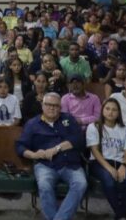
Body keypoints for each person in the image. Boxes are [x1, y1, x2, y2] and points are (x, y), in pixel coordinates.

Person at [16, 92, 86, 220]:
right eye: (48, 104)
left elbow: (80, 140)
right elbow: (20, 146)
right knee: (44, 185)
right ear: (42, 105)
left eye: (55, 105)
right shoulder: (32, 124)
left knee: (81, 183)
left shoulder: (68, 119)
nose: (52, 108)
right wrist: (33, 154)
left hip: (70, 163)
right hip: (45, 165)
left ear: (60, 107)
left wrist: (57, 148)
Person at [86, 99, 126, 220]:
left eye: (114, 110)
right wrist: (110, 169)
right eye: (107, 109)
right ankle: (122, 215)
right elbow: (95, 151)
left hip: (120, 162)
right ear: (102, 110)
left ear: (118, 113)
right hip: (99, 162)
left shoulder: (124, 129)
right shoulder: (94, 127)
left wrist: (124, 166)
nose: (110, 112)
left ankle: (120, 213)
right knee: (108, 179)